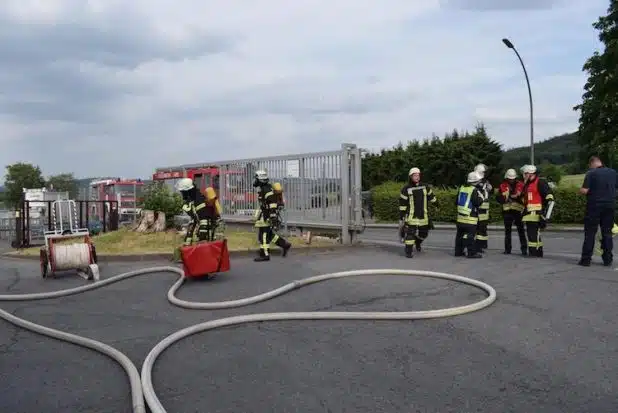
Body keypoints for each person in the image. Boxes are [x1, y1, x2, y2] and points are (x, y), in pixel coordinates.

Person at [578, 156, 618, 267]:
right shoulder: (613, 172)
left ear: (591, 164)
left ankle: (586, 260)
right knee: (607, 233)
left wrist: (580, 191)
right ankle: (608, 259)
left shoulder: (591, 173)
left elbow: (585, 190)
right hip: (610, 205)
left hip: (594, 206)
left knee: (590, 233)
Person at [252, 170, 291, 262]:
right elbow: (264, 204)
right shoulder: (264, 188)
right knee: (269, 235)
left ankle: (265, 255)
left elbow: (272, 204)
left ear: (260, 179)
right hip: (264, 216)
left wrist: (272, 218)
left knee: (263, 236)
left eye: (256, 179)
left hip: (267, 217)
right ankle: (285, 245)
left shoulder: (267, 190)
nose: (255, 181)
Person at [398, 167, 437, 258]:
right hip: (411, 216)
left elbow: (432, 197)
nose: (417, 177)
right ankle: (408, 252)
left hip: (424, 215)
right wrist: (402, 215)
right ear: (410, 177)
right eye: (415, 175)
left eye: (418, 175)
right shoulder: (406, 189)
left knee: (424, 234)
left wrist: (436, 204)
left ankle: (418, 242)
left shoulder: (425, 187)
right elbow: (402, 204)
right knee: (410, 234)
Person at [175, 178, 223, 245]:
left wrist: (202, 240)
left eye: (182, 192)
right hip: (203, 239)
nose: (182, 194)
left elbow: (204, 222)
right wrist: (187, 243)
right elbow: (193, 223)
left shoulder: (199, 201)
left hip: (208, 239)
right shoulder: (193, 201)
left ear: (188, 191)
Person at [521, 165, 554, 257]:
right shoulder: (528, 184)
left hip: (536, 213)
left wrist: (546, 211)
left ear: (530, 173)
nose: (524, 175)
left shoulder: (540, 182)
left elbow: (548, 195)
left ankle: (534, 252)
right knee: (534, 234)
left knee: (533, 235)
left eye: (525, 173)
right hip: (529, 213)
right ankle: (537, 252)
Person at [454, 171, 486, 259]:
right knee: (470, 236)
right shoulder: (474, 190)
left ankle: (458, 252)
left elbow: (456, 201)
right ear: (475, 181)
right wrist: (482, 194)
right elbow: (477, 202)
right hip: (470, 218)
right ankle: (471, 253)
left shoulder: (462, 188)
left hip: (460, 218)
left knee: (459, 236)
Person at [496, 168, 527, 255]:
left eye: (513, 178)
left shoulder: (521, 185)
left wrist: (518, 196)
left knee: (521, 231)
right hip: (507, 211)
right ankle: (507, 249)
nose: (511, 180)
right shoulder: (502, 185)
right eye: (510, 178)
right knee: (507, 232)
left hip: (518, 211)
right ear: (507, 178)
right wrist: (504, 198)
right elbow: (498, 198)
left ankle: (524, 249)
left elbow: (525, 196)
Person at [474, 163, 493, 252]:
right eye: (484, 172)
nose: (485, 174)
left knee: (481, 229)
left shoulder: (484, 182)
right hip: (481, 209)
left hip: (482, 209)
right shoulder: (479, 182)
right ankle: (479, 246)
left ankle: (480, 246)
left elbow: (488, 192)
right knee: (480, 229)